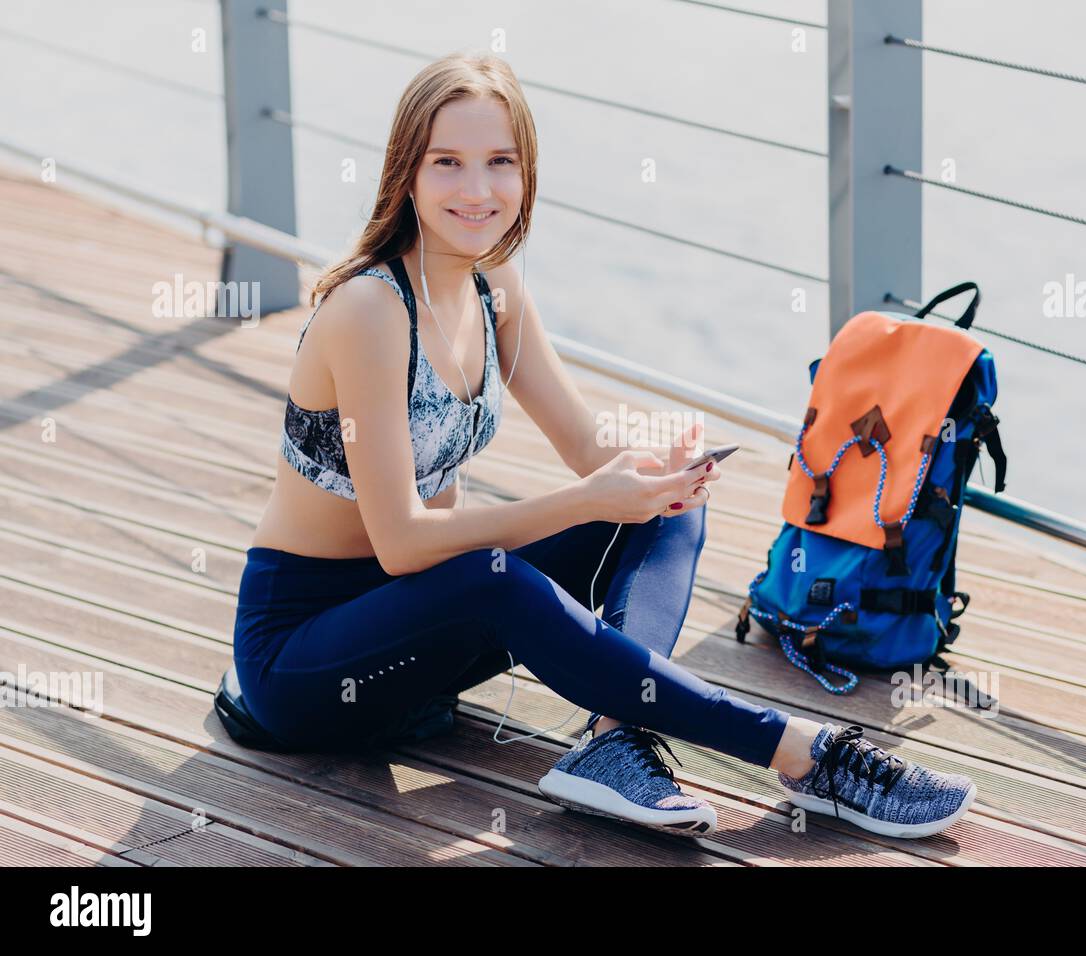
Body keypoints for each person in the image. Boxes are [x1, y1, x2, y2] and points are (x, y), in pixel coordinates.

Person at [234, 50, 976, 841]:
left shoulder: (495, 286)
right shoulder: (370, 310)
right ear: (406, 173)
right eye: (447, 163)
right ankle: (802, 752)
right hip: (305, 660)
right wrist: (592, 497)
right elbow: (403, 543)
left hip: (418, 637)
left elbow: (590, 447)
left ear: (527, 175)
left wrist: (657, 468)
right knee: (499, 580)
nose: (477, 190)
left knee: (664, 512)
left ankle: (610, 741)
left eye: (499, 163)